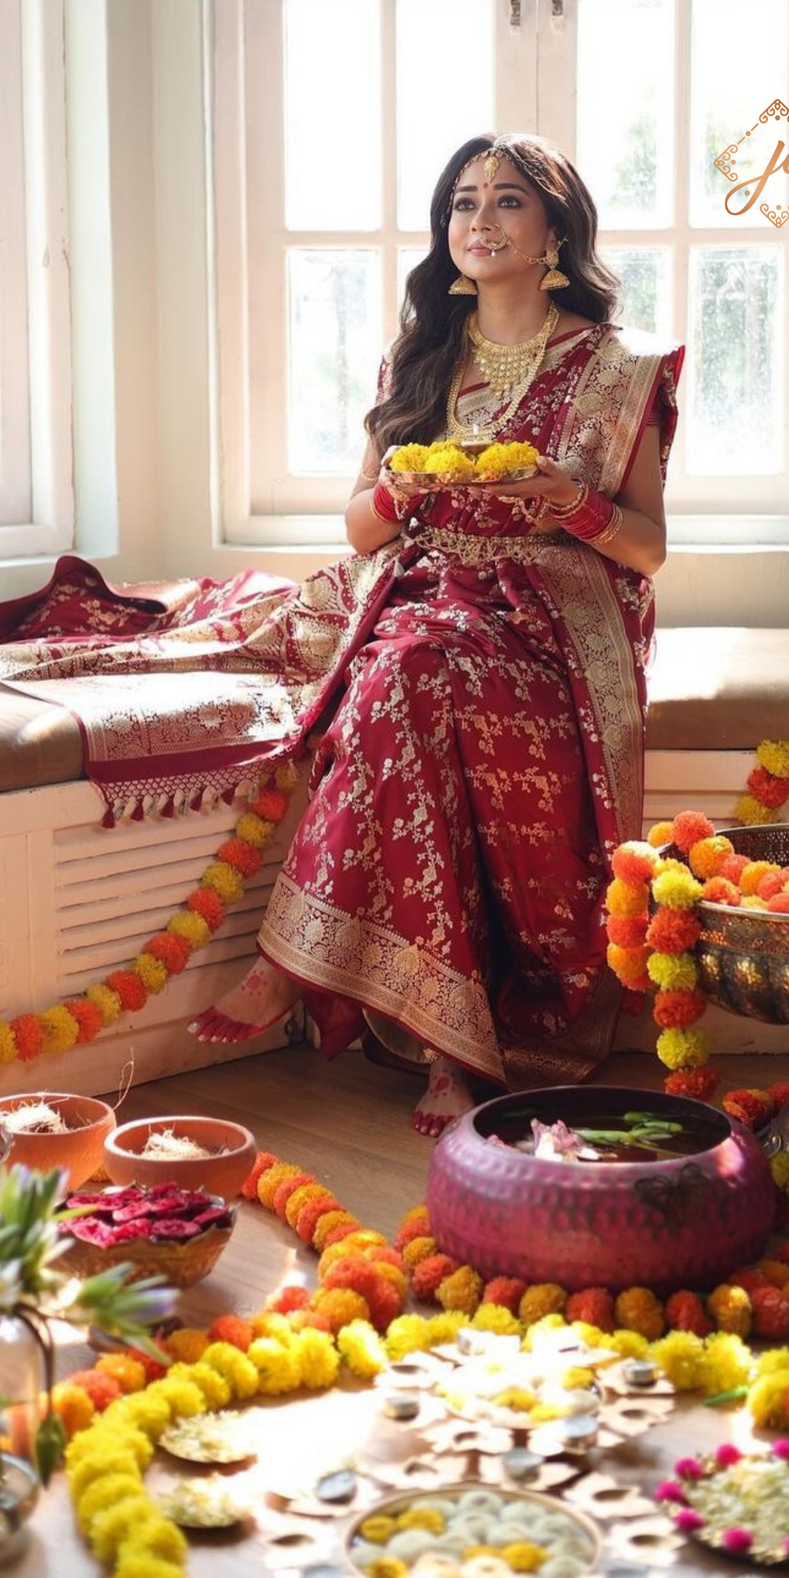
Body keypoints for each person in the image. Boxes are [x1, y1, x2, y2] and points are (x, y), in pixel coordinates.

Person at [188, 131, 685, 1135]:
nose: (480, 220)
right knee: (410, 676)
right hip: (424, 601)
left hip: (550, 623)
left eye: (507, 201)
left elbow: (646, 550)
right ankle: (448, 1047)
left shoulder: (619, 367)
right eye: (463, 202)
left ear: (554, 231)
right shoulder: (418, 358)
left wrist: (565, 502)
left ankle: (296, 967)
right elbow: (359, 528)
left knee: (406, 678)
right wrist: (398, 490)